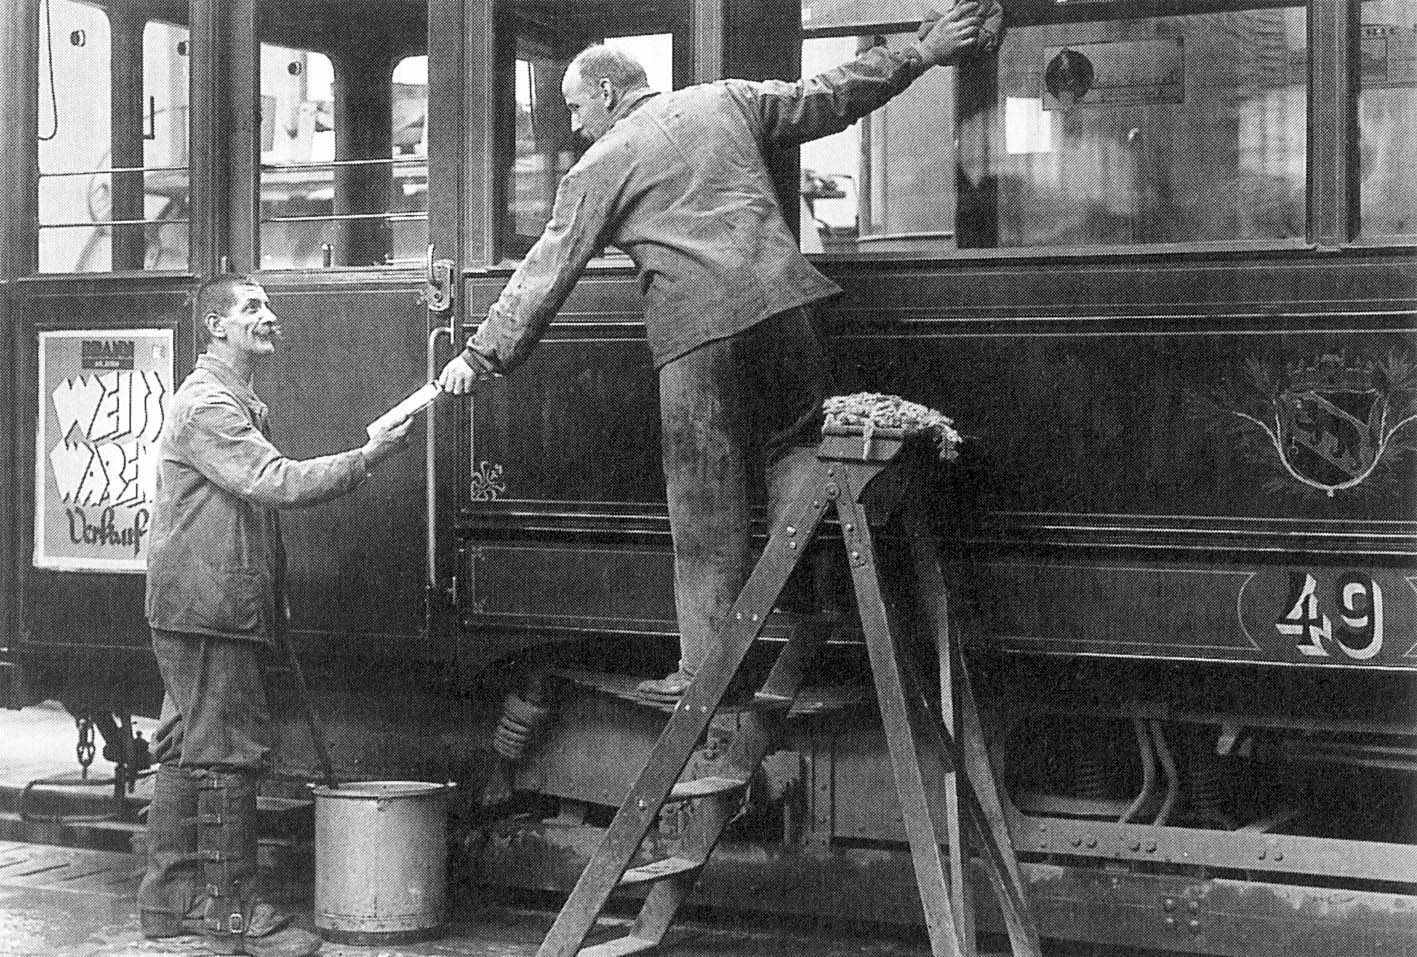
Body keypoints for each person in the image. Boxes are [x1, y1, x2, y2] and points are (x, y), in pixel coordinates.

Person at [439, 2, 1000, 697]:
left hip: (699, 335)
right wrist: (921, 51)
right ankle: (803, 598)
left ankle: (707, 670)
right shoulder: (725, 100)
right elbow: (827, 97)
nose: (575, 123)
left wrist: (480, 356)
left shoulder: (601, 163)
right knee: (794, 448)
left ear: (608, 93)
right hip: (785, 311)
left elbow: (544, 271)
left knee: (703, 502)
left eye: (576, 106)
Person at [137, 274, 414, 957]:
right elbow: (275, 482)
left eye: (266, 304)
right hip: (208, 608)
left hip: (207, 602)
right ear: (216, 327)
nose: (269, 315)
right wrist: (367, 456)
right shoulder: (210, 406)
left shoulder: (233, 401)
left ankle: (167, 897)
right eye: (251, 307)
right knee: (230, 749)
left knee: (183, 743)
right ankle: (233, 912)